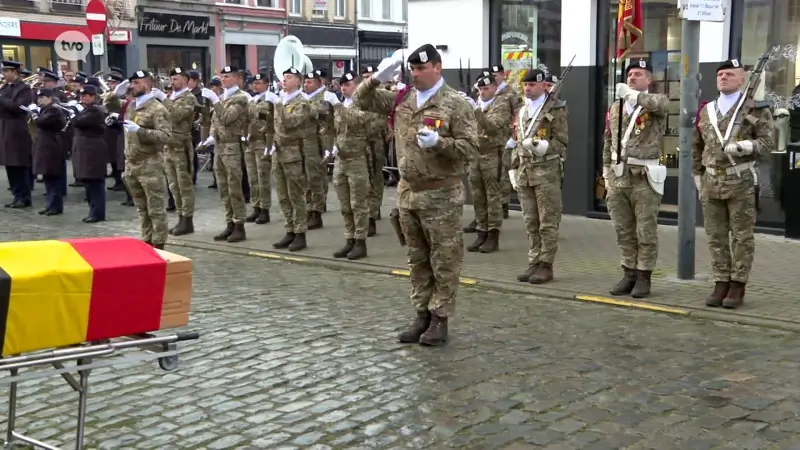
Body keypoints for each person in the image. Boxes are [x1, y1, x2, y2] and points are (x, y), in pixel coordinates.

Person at [355, 44, 479, 346]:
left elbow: (472, 149)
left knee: (444, 260)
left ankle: (440, 318)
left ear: (438, 67)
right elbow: (361, 100)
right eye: (412, 69)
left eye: (422, 68)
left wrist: (440, 143)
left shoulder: (455, 104)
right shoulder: (403, 99)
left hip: (441, 195)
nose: (416, 74)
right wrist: (376, 78)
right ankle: (421, 314)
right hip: (409, 194)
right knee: (417, 260)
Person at [692, 59, 774, 309]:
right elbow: (697, 145)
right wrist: (697, 175)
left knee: (741, 237)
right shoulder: (707, 110)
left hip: (740, 180)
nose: (723, 77)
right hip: (711, 181)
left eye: (730, 74)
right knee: (715, 236)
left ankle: (738, 284)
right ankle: (720, 281)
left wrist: (747, 146)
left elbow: (768, 144)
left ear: (742, 79)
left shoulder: (755, 109)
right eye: (720, 74)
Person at [602, 59, 670, 299]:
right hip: (618, 176)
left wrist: (631, 94)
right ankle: (628, 272)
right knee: (623, 229)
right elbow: (609, 139)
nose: (632, 77)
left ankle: (644, 276)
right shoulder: (616, 106)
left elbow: (657, 105)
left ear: (649, 80)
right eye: (630, 74)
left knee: (645, 229)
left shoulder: (656, 101)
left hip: (643, 177)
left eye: (638, 74)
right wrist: (605, 169)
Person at [508, 69, 569, 284]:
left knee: (547, 222)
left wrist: (542, 146)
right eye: (526, 84)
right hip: (525, 172)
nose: (528, 88)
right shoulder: (521, 111)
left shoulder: (556, 109)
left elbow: (562, 143)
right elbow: (517, 140)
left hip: (546, 172)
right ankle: (533, 261)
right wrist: (513, 167)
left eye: (532, 84)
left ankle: (546, 265)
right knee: (530, 222)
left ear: (544, 86)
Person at [462, 74, 513, 253]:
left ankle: (493, 235)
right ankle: (481, 231)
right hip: (475, 155)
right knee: (478, 196)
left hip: (493, 156)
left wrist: (475, 110)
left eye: (486, 89)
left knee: (493, 197)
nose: (482, 92)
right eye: (480, 89)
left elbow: (491, 126)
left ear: (494, 88)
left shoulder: (501, 104)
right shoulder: (475, 104)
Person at [122, 70, 173, 249]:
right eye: (131, 83)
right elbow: (109, 105)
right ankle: (146, 241)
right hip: (132, 164)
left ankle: (159, 246)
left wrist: (140, 131)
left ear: (148, 84)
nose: (132, 86)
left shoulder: (157, 109)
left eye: (137, 83)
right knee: (141, 209)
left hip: (150, 165)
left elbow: (166, 136)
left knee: (156, 210)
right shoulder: (131, 106)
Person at [202, 66, 250, 243]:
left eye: (228, 76)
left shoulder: (241, 98)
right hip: (220, 147)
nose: (224, 79)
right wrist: (212, 136)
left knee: (234, 187)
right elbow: (215, 121)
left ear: (237, 79)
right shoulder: (223, 98)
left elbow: (227, 118)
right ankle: (229, 222)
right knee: (223, 188)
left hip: (232, 148)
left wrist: (215, 100)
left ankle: (239, 225)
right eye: (222, 76)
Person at [270, 67, 313, 251]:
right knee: (282, 195)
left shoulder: (302, 102)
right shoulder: (281, 99)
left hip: (293, 154)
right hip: (278, 153)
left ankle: (300, 233)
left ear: (298, 81)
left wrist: (277, 106)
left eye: (289, 77)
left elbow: (290, 123)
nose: (285, 80)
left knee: (296, 195)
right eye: (284, 77)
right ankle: (289, 229)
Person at [330, 70, 371, 259]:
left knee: (358, 203)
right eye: (343, 85)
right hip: (341, 159)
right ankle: (350, 239)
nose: (344, 88)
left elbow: (354, 121)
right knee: (345, 203)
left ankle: (360, 242)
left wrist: (337, 104)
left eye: (348, 85)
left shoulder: (363, 103)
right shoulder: (343, 104)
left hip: (356, 160)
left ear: (358, 85)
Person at [159, 67, 198, 236]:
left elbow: (176, 116)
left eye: (176, 79)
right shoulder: (172, 97)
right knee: (174, 185)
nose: (172, 82)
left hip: (181, 146)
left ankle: (187, 220)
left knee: (184, 185)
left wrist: (163, 99)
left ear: (185, 80)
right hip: (169, 145)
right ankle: (180, 217)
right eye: (172, 79)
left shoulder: (189, 98)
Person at [71, 85, 108, 223]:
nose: (83, 98)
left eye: (86, 95)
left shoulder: (95, 111)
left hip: (93, 149)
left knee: (95, 183)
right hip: (86, 149)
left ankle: (97, 213)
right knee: (89, 183)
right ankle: (93, 211)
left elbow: (78, 122)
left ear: (93, 96)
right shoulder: (87, 110)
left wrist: (74, 113)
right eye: (82, 95)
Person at [0, 60, 34, 208]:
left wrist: (1, 99)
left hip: (17, 127)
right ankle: (16, 194)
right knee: (9, 163)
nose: (4, 74)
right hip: (4, 126)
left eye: (7, 72)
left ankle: (24, 196)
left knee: (19, 162)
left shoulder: (24, 89)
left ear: (15, 72)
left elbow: (19, 107)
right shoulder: (6, 87)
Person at [31, 88, 67, 215]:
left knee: (53, 178)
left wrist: (34, 113)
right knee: (48, 178)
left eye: (43, 98)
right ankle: (50, 204)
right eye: (39, 98)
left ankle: (55, 206)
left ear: (50, 98)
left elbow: (42, 122)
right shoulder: (47, 109)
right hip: (45, 146)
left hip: (51, 147)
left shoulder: (54, 110)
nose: (40, 100)